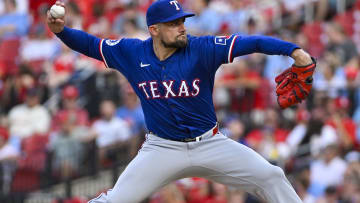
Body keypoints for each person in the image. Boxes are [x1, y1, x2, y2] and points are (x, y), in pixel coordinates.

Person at [47, 1, 313, 202]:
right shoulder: (132, 52)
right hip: (162, 148)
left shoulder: (201, 48)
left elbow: (251, 42)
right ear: (154, 29)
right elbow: (92, 44)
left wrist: (293, 50)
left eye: (182, 21)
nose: (181, 27)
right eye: (174, 23)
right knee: (116, 200)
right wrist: (62, 32)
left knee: (272, 176)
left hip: (210, 143)